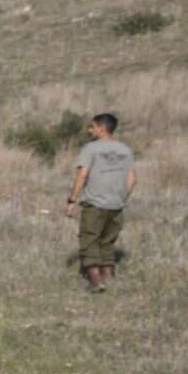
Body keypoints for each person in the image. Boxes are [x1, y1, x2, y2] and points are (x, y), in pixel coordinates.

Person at [66, 112, 137, 293]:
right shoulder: (125, 150)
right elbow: (132, 179)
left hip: (94, 205)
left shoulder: (91, 149)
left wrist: (72, 200)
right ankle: (109, 276)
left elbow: (82, 174)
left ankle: (95, 280)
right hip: (116, 205)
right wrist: (121, 197)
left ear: (101, 128)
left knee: (89, 240)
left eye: (93, 126)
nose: (90, 130)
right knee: (108, 241)